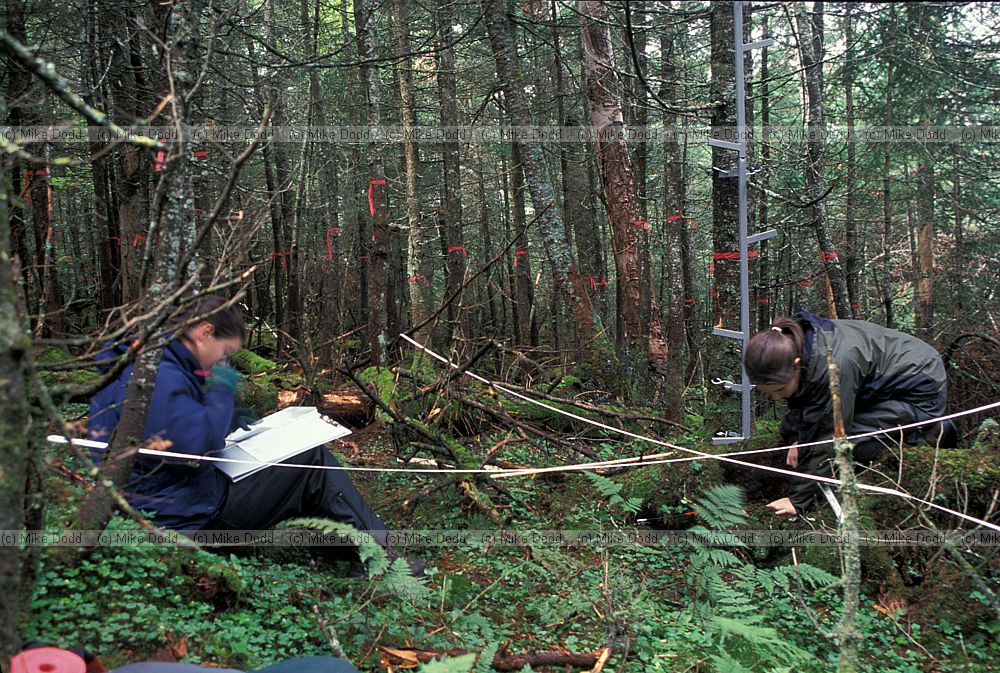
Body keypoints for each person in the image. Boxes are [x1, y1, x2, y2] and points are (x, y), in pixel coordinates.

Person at [88, 295, 423, 576]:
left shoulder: (144, 363)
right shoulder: (160, 375)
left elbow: (166, 434)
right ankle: (382, 558)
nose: (224, 361)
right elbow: (191, 452)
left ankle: (347, 547)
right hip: (186, 520)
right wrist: (220, 395)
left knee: (289, 459)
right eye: (224, 352)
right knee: (311, 458)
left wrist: (226, 421)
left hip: (162, 506)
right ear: (205, 332)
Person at [744, 311, 957, 516]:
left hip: (919, 389)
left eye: (779, 391)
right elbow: (807, 401)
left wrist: (797, 500)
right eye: (770, 394)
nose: (776, 398)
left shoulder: (832, 367)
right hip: (880, 388)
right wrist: (795, 437)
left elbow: (830, 437)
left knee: (853, 443)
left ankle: (927, 430)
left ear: (796, 365)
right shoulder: (799, 349)